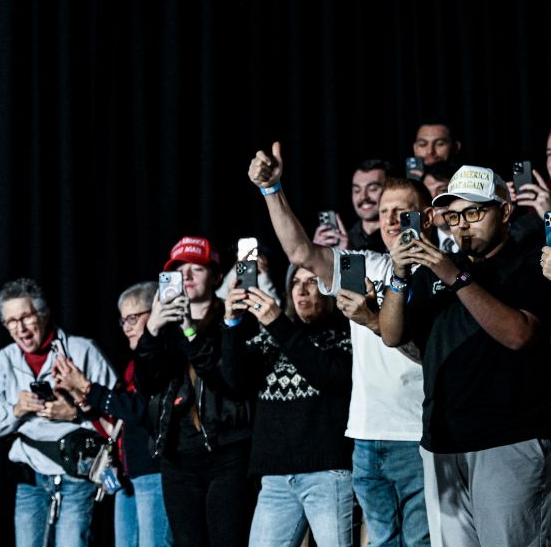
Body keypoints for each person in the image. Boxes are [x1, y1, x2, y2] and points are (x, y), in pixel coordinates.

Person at [247, 142, 432, 547]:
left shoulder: (440, 275)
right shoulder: (361, 265)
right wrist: (272, 190)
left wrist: (372, 316)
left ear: (427, 216)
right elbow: (299, 252)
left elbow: (427, 352)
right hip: (366, 436)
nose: (392, 220)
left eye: (403, 211)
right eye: (384, 212)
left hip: (416, 434)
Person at [379, 165, 551, 546]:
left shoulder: (530, 262)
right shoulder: (433, 270)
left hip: (508, 441)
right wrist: (399, 274)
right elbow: (392, 335)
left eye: (474, 213)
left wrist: (454, 276)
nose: (462, 226)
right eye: (454, 216)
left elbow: (519, 335)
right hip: (442, 443)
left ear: (505, 211)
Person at [132, 237, 255, 547]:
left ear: (215, 276)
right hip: (178, 457)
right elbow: (146, 385)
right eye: (178, 271)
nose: (186, 277)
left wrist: (189, 329)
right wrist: (152, 331)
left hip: (226, 453)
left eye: (195, 269)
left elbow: (229, 381)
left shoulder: (234, 319)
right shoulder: (165, 326)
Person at [222, 266, 354, 547]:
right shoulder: (273, 336)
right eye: (295, 282)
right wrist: (231, 325)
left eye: (312, 282)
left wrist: (278, 323)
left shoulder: (344, 333)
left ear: (330, 289)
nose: (302, 290)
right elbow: (235, 382)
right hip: (275, 478)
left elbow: (330, 376)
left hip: (326, 473)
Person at [0, 278, 117, 547]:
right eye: (11, 322)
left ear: (42, 313)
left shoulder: (81, 350)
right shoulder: (3, 361)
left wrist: (75, 413)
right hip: (30, 480)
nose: (20, 328)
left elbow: (118, 414)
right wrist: (16, 409)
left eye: (26, 317)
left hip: (77, 477)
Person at [53, 282, 174, 547]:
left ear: (156, 313)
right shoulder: (134, 364)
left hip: (155, 473)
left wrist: (87, 387)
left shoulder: (165, 356)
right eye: (123, 320)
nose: (126, 327)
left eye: (133, 318)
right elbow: (119, 424)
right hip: (128, 476)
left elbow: (141, 411)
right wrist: (80, 397)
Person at [315, 160, 389, 253]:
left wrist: (351, 256)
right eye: (357, 190)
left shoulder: (398, 237)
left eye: (372, 189)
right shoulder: (342, 240)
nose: (363, 196)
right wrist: (315, 253)